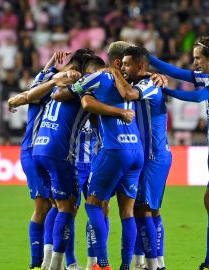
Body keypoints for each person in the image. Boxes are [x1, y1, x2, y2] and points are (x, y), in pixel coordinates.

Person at [149, 36, 209, 270]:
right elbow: (178, 72)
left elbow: (199, 96)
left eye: (198, 58)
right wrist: (147, 57)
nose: (195, 63)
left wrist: (165, 91)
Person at [68, 53, 144, 270]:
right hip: (135, 149)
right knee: (127, 211)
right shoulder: (132, 82)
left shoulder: (98, 78)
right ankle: (126, 266)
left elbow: (68, 94)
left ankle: (102, 264)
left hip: (113, 149)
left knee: (93, 203)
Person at [105, 46, 171, 270]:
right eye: (121, 64)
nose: (123, 68)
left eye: (127, 64)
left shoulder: (148, 83)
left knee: (144, 210)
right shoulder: (143, 81)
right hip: (147, 155)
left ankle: (154, 265)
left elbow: (128, 95)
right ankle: (148, 262)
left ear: (141, 66)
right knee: (146, 210)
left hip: (153, 155)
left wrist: (113, 73)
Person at [7, 50, 70, 270]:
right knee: (44, 206)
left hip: (50, 152)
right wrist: (54, 76)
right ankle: (38, 262)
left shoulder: (62, 87)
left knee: (57, 204)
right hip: (34, 151)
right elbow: (31, 94)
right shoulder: (47, 83)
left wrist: (53, 61)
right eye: (69, 70)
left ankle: (52, 259)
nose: (71, 74)